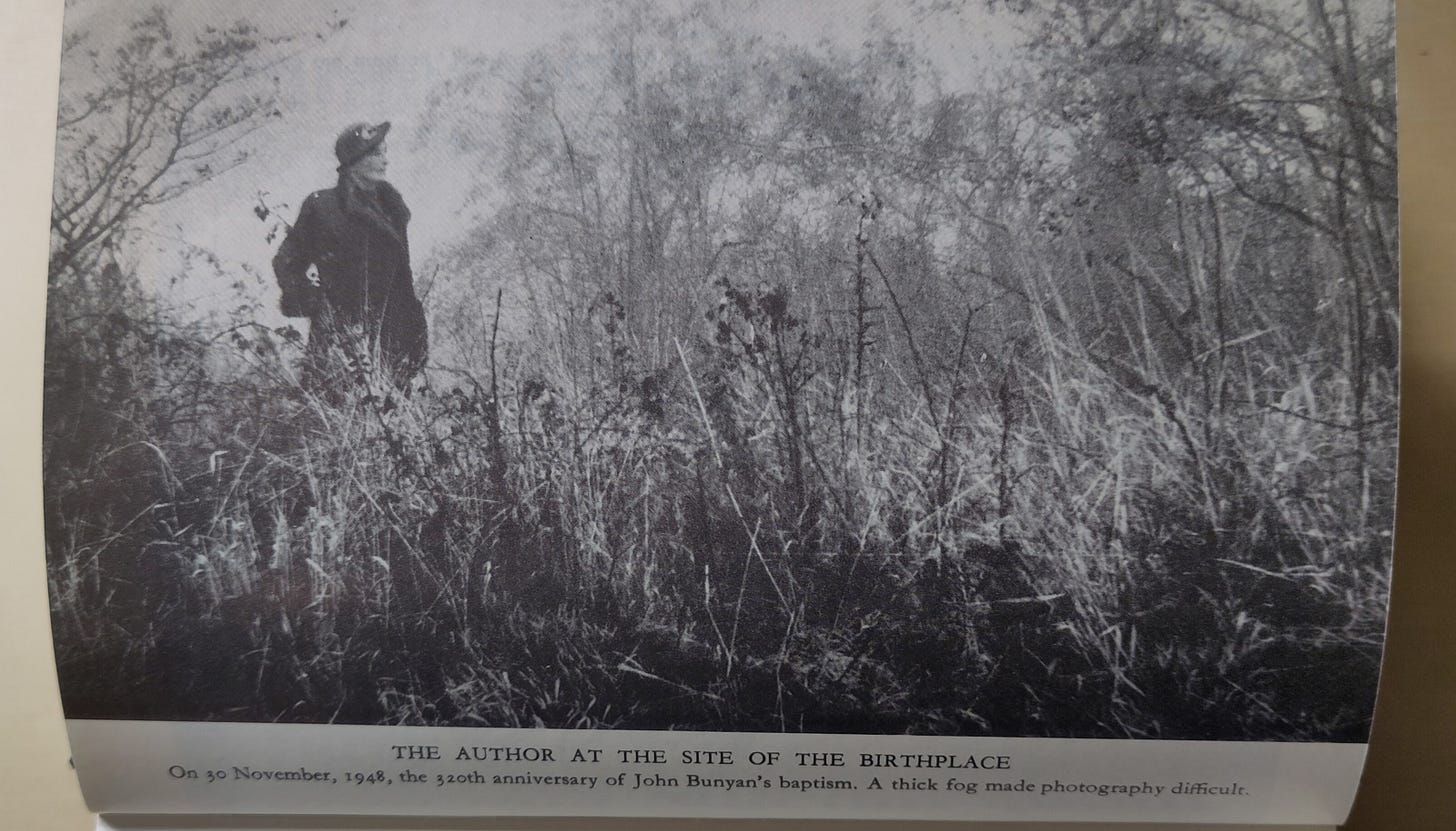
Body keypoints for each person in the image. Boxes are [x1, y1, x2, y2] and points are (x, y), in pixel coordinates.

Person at [273, 121, 428, 390]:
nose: (385, 160)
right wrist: (318, 305)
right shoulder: (323, 207)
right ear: (355, 162)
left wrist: (414, 331)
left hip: (392, 340)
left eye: (384, 151)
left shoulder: (392, 208)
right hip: (341, 344)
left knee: (392, 421)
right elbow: (287, 262)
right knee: (337, 420)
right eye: (376, 153)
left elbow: (404, 280)